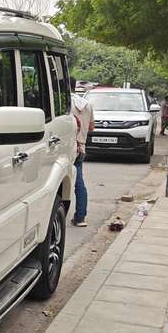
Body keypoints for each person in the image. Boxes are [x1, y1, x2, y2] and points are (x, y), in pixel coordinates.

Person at [70, 78, 94, 227]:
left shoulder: (64, 103)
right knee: (79, 183)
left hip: (66, 147)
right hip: (81, 148)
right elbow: (91, 127)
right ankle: (80, 217)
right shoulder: (87, 104)